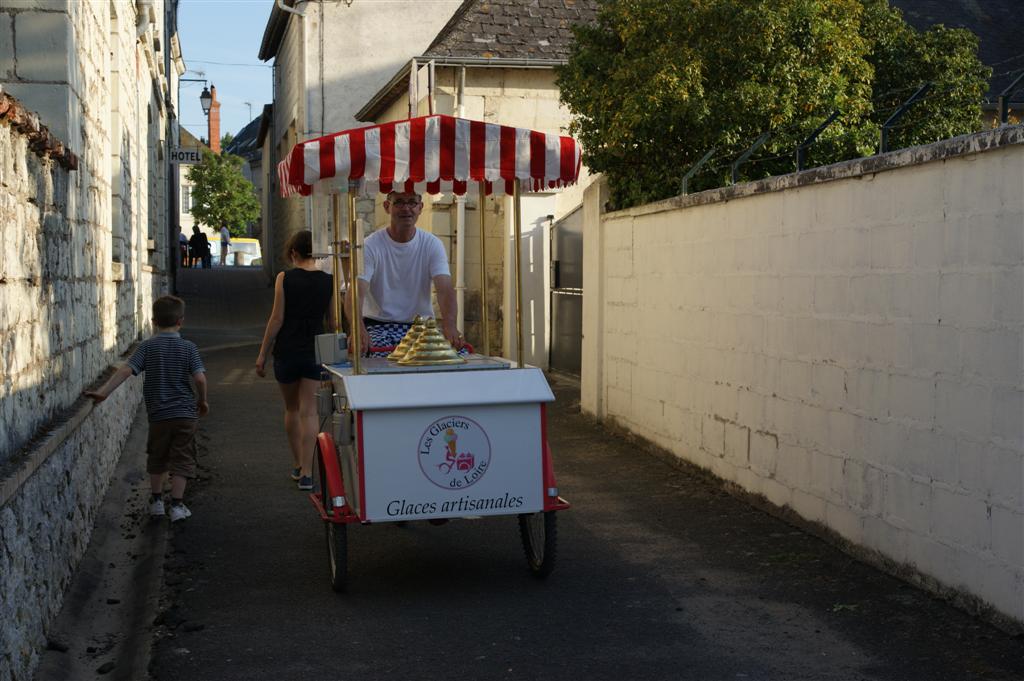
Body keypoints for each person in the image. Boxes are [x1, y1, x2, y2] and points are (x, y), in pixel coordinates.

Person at [84, 296, 208, 522]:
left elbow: (125, 370)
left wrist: (104, 391)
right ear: (181, 321)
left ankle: (157, 502)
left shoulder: (147, 346)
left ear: (153, 321)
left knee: (158, 456)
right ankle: (178, 506)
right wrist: (202, 401)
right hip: (184, 414)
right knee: (182, 458)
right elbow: (200, 379)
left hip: (159, 415)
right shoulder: (189, 348)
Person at [255, 230, 336, 491]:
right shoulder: (329, 281)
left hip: (287, 350)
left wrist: (262, 353)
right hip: (315, 350)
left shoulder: (284, 278)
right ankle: (309, 473)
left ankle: (299, 463)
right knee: (310, 411)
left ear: (293, 253)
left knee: (291, 409)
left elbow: (276, 319)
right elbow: (333, 321)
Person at [345, 191, 464, 355]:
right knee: (378, 358)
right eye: (399, 202)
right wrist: (358, 327)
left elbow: (445, 289)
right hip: (379, 325)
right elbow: (357, 291)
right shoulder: (370, 246)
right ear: (387, 207)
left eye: (412, 203)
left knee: (456, 358)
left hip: (422, 327)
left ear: (420, 207)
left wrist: (450, 325)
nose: (406, 208)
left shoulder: (432, 244)